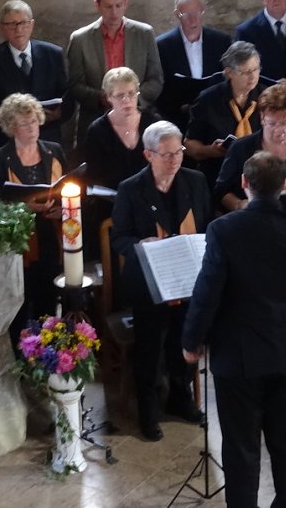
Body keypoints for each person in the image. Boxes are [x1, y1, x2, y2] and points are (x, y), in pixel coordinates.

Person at [181, 130, 286, 508]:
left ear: (244, 184)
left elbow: (207, 292)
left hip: (240, 357)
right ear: (284, 186)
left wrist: (190, 341)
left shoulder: (224, 230)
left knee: (241, 447)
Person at [111, 121, 210, 441]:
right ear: (148, 155)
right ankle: (148, 410)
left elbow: (208, 226)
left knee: (185, 337)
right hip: (149, 280)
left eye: (178, 152)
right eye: (166, 154)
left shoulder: (195, 182)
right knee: (150, 345)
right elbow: (120, 238)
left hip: (188, 277)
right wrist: (141, 246)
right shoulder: (131, 188)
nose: (174, 160)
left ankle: (181, 397)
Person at [0, 93, 67, 344]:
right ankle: (21, 356)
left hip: (53, 234)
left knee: (49, 303)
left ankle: (48, 354)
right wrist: (24, 207)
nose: (31, 127)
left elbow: (71, 189)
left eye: (34, 121)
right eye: (23, 123)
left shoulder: (54, 150)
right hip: (18, 245)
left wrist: (63, 208)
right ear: (11, 127)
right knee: (19, 306)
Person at [66, 0, 163, 155]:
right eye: (108, 7)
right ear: (97, 5)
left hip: (138, 120)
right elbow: (74, 84)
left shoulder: (144, 34)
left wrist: (130, 99)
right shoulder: (80, 39)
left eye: (118, 5)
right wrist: (103, 98)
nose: (114, 12)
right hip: (96, 120)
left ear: (126, 3)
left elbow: (156, 79)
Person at [214, 84, 286, 213]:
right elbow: (221, 191)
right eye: (272, 123)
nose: (279, 130)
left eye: (285, 123)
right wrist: (239, 204)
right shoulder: (241, 148)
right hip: (249, 221)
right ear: (262, 118)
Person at [0, 0, 70, 150]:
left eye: (23, 23)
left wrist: (59, 113)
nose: (18, 29)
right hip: (9, 140)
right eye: (12, 24)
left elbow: (66, 93)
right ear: (2, 28)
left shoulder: (53, 54)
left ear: (32, 24)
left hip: (47, 136)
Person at [184, 41, 274, 189]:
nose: (252, 77)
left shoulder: (267, 97)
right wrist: (209, 151)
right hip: (219, 175)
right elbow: (189, 144)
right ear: (229, 72)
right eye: (245, 72)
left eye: (256, 69)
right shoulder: (208, 100)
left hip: (260, 177)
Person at [155, 0, 232, 131]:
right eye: (187, 14)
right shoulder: (162, 46)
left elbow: (228, 79)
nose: (193, 19)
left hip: (215, 117)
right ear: (177, 14)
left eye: (197, 13)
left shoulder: (221, 42)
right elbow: (159, 86)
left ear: (203, 11)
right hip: (178, 119)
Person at [84, 67, 159, 191]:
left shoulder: (153, 123)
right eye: (120, 95)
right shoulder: (97, 130)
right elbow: (93, 176)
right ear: (108, 97)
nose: (127, 100)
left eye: (131, 93)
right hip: (112, 200)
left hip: (150, 197)